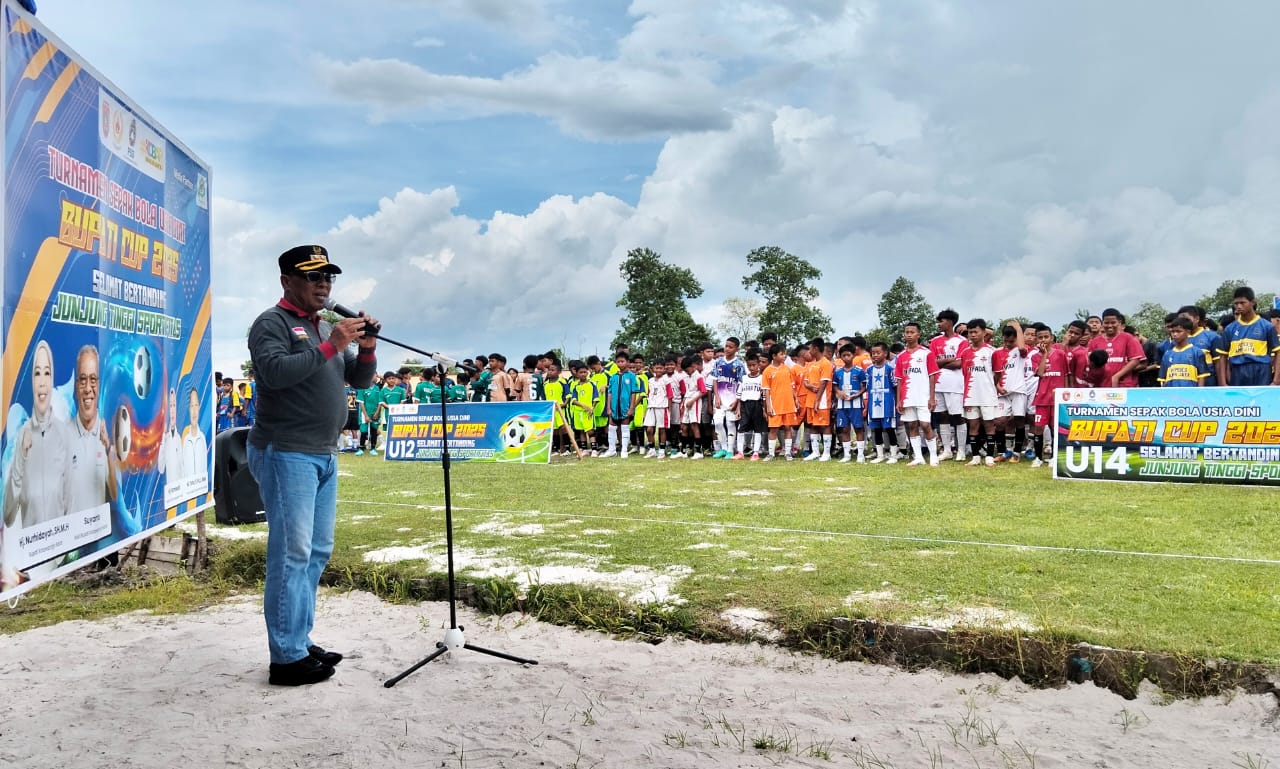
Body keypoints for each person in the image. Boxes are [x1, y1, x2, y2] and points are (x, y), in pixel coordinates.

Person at [246, 244, 378, 687]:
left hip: (323, 453)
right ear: (287, 281)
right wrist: (333, 343)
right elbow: (275, 373)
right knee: (292, 552)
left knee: (317, 550)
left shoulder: (321, 325)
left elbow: (359, 379)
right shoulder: (272, 323)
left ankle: (298, 640)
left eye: (328, 277)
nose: (324, 285)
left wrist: (366, 348)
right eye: (313, 277)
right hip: (286, 451)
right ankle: (285, 658)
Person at [4, 340, 70, 531]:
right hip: (33, 546)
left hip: (60, 547)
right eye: (37, 373)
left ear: (52, 379)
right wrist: (21, 457)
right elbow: (8, 515)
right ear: (32, 381)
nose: (42, 381)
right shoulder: (22, 435)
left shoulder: (64, 434)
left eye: (47, 373)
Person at [67, 345, 119, 513]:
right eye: (83, 380)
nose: (88, 388)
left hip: (98, 528)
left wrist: (108, 449)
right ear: (76, 387)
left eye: (93, 379)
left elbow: (114, 494)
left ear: (99, 384)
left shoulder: (108, 436)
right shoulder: (63, 436)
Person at [1216, 287, 1280, 387]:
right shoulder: (1230, 329)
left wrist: (1276, 381)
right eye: (1236, 303)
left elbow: (1278, 353)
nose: (1238, 306)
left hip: (1261, 370)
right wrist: (1223, 383)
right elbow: (1223, 356)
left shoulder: (1267, 326)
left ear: (1253, 302)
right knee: (1239, 398)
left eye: (1242, 303)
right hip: (1238, 371)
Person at [930, 309, 969, 460]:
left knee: (958, 416)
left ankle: (961, 450)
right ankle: (947, 450)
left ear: (950, 322)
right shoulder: (935, 341)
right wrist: (949, 360)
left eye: (942, 321)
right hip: (938, 384)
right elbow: (931, 362)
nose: (939, 324)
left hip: (955, 385)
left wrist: (941, 362)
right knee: (942, 416)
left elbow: (959, 363)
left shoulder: (962, 341)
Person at [962, 320, 999, 467]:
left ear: (984, 332)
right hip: (970, 395)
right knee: (973, 425)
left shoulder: (992, 351)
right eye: (970, 332)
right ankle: (975, 456)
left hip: (987, 394)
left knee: (989, 424)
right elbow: (964, 373)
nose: (972, 335)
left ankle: (989, 456)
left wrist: (990, 385)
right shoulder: (965, 352)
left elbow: (997, 373)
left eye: (975, 332)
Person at [1086, 309, 1146, 388]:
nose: (1110, 325)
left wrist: (1117, 376)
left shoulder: (1128, 338)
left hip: (1124, 384)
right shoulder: (1095, 341)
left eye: (1113, 322)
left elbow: (1135, 360)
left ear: (1119, 322)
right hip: (1101, 386)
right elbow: (1091, 362)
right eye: (1106, 323)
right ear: (1102, 323)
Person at [761, 344, 798, 460]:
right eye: (781, 354)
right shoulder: (767, 371)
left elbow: (792, 386)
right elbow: (766, 390)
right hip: (775, 405)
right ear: (774, 356)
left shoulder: (787, 369)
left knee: (788, 428)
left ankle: (787, 452)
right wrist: (768, 406)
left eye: (784, 353)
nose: (784, 356)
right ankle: (771, 454)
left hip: (788, 404)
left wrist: (795, 399)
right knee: (773, 429)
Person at [864, 342, 899, 463]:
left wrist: (897, 402)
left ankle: (893, 455)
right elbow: (867, 387)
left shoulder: (890, 369)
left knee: (889, 429)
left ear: (885, 353)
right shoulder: (869, 370)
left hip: (887, 403)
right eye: (873, 353)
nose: (875, 355)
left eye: (878, 353)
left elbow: (896, 386)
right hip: (873, 404)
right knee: (876, 429)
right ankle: (880, 455)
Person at [832, 344, 867, 463]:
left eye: (848, 355)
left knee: (858, 428)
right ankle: (847, 455)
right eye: (844, 355)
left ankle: (860, 454)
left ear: (853, 355)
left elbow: (864, 386)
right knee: (844, 429)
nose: (846, 358)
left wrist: (857, 394)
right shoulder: (838, 372)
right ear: (840, 356)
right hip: (842, 405)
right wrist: (839, 392)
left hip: (856, 405)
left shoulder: (859, 371)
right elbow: (834, 386)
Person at [602, 352, 640, 457]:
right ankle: (612, 450)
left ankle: (624, 450)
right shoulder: (613, 377)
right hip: (614, 407)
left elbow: (633, 392)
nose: (620, 363)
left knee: (625, 428)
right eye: (618, 361)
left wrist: (631, 408)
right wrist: (608, 407)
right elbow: (610, 393)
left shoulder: (631, 376)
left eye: (622, 361)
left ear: (627, 362)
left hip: (625, 407)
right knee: (611, 428)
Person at [1159, 318, 1212, 387]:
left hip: (1191, 392)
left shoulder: (1197, 352)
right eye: (1173, 331)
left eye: (1178, 331)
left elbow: (1202, 376)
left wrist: (1198, 392)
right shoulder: (1167, 354)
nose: (1175, 334)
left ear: (1188, 332)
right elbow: (1163, 379)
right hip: (1172, 392)